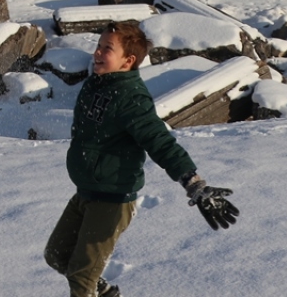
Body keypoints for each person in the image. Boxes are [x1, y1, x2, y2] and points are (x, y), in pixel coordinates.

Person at [44, 21, 239, 297]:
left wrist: (194, 183)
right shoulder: (97, 83)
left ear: (128, 61)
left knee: (81, 278)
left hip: (111, 200)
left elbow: (159, 141)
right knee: (57, 254)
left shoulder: (131, 97)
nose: (97, 53)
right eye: (98, 46)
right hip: (86, 192)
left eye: (107, 49)